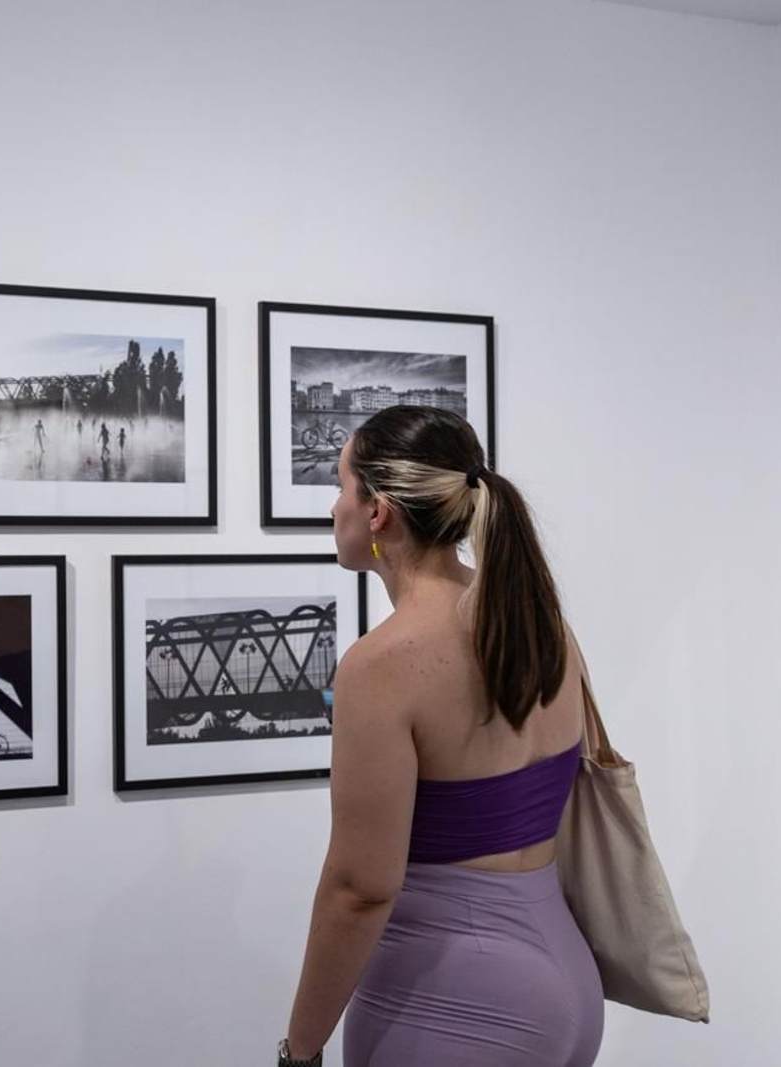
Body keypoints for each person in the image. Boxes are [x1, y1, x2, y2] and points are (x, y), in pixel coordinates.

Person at [277, 406, 602, 1067]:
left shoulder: (381, 665)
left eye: (340, 487)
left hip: (455, 1001)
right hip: (566, 983)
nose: (332, 508)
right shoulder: (542, 628)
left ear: (378, 513)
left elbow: (359, 888)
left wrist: (300, 1050)